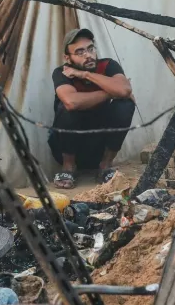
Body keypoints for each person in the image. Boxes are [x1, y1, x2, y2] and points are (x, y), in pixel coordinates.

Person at [47, 28, 136, 189]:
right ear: (67, 58)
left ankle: (105, 166)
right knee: (67, 109)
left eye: (90, 49)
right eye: (80, 52)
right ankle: (69, 168)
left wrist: (85, 75)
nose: (88, 55)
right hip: (67, 147)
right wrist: (110, 92)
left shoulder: (108, 65)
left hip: (99, 146)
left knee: (125, 104)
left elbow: (124, 91)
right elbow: (71, 102)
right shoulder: (62, 72)